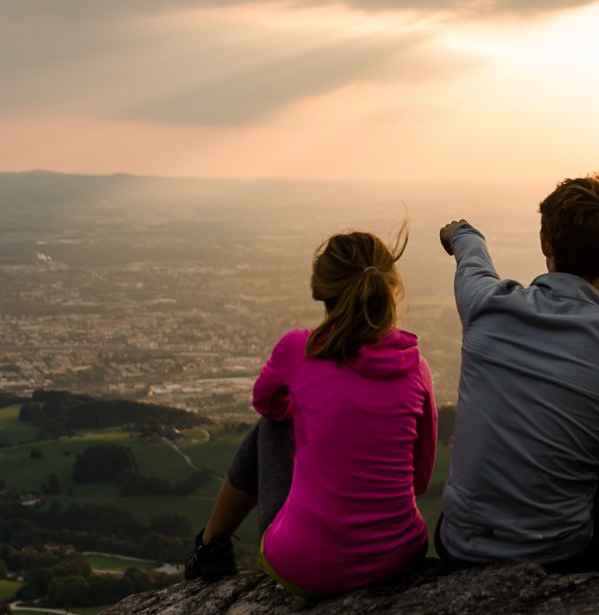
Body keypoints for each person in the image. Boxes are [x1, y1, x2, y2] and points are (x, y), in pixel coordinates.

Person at [435, 174, 599, 571]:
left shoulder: (486, 303)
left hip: (458, 544)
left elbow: (472, 260)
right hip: (565, 557)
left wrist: (462, 233)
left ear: (544, 241)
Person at [186, 229, 437, 594]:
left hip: (306, 566)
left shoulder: (300, 350)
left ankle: (210, 547)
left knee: (270, 426)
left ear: (322, 290)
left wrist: (316, 411)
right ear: (389, 287)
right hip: (397, 559)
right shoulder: (416, 368)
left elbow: (266, 404)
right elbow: (421, 480)